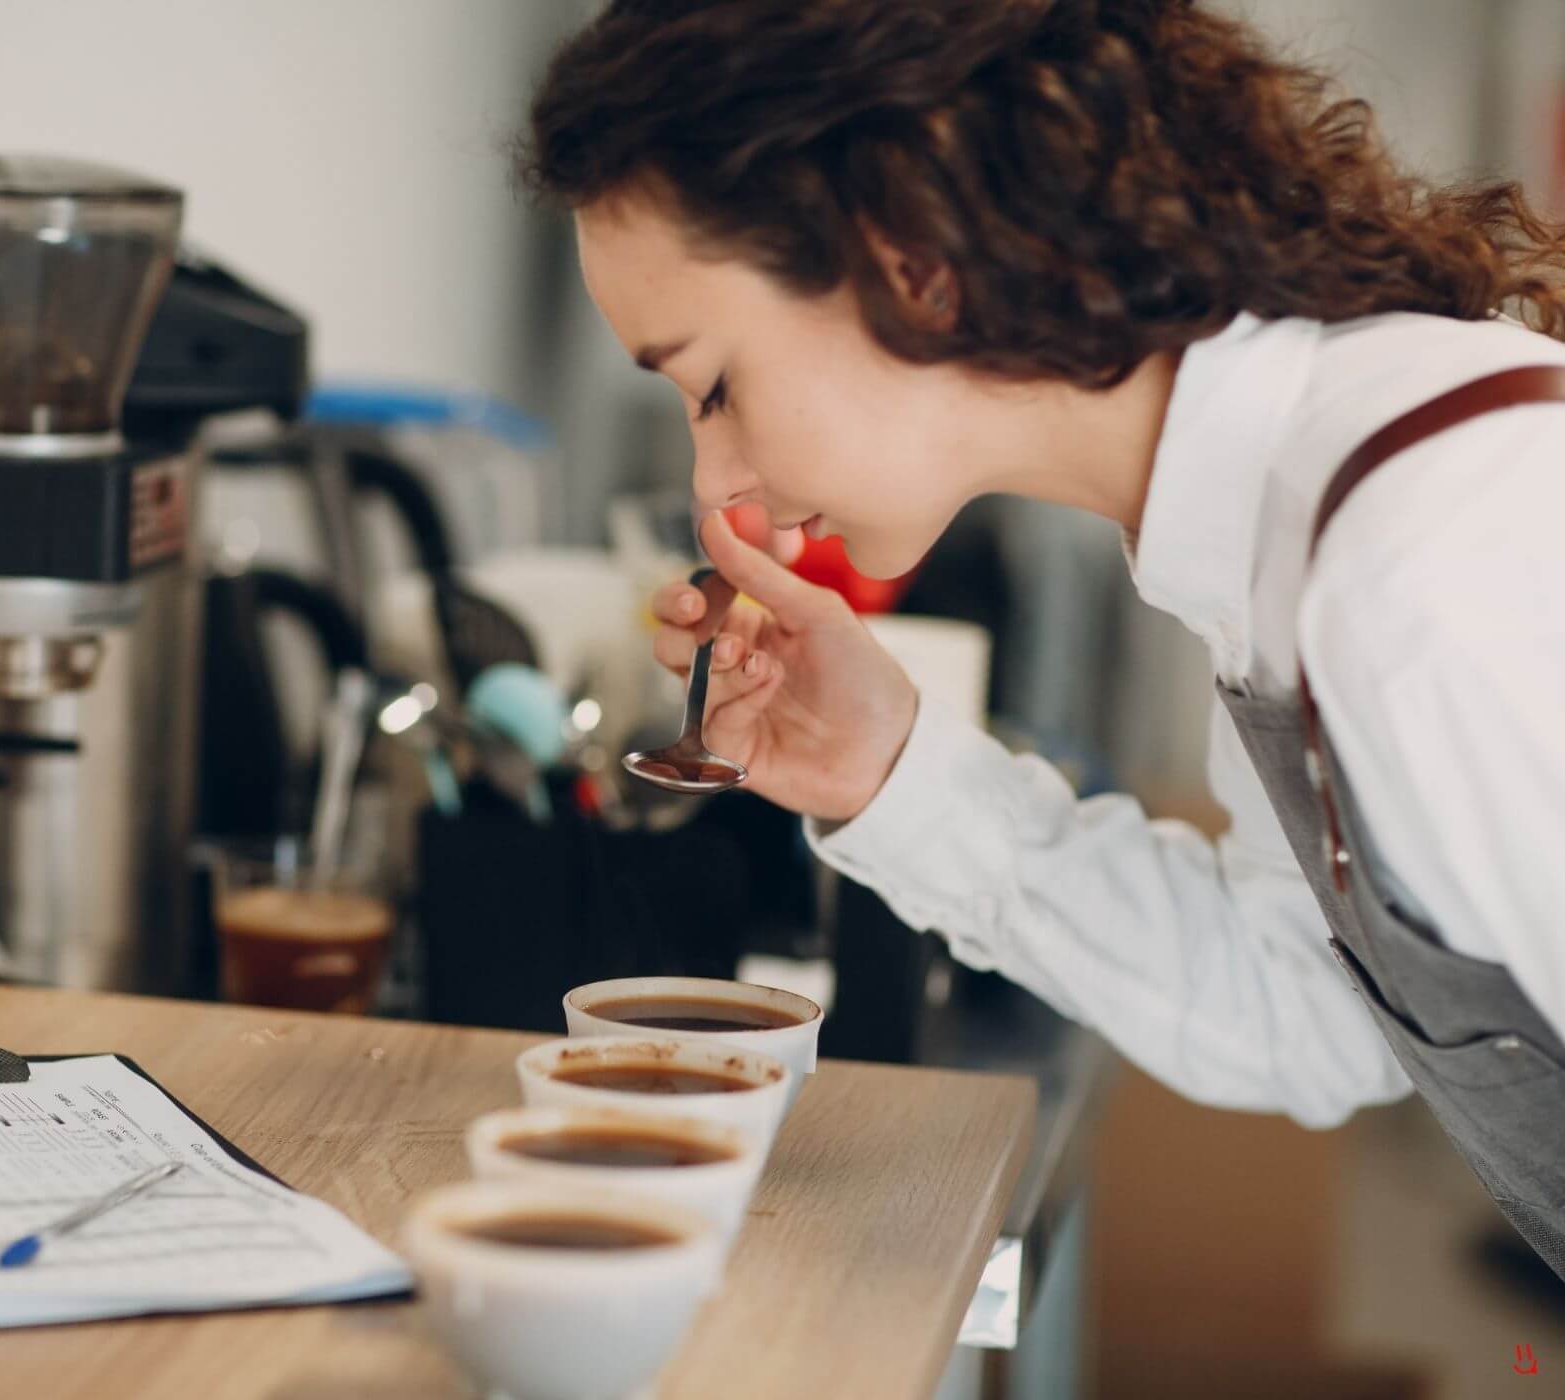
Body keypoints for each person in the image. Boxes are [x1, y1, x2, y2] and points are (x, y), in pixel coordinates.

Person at [520, 0, 1565, 1277]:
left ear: (909, 255)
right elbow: (1311, 1016)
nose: (714, 492)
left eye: (714, 386)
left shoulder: (1421, 573)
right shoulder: (1273, 534)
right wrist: (888, 769)